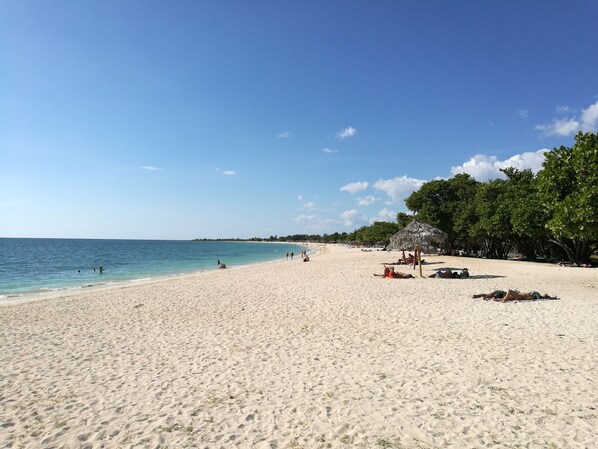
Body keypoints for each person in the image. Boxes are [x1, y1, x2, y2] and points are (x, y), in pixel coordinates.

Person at [473, 290, 557, 301]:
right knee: (490, 295)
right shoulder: (521, 296)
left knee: (490, 294)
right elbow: (510, 291)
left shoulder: (522, 296)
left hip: (503, 293)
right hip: (503, 294)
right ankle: (480, 296)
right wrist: (504, 300)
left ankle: (478, 295)